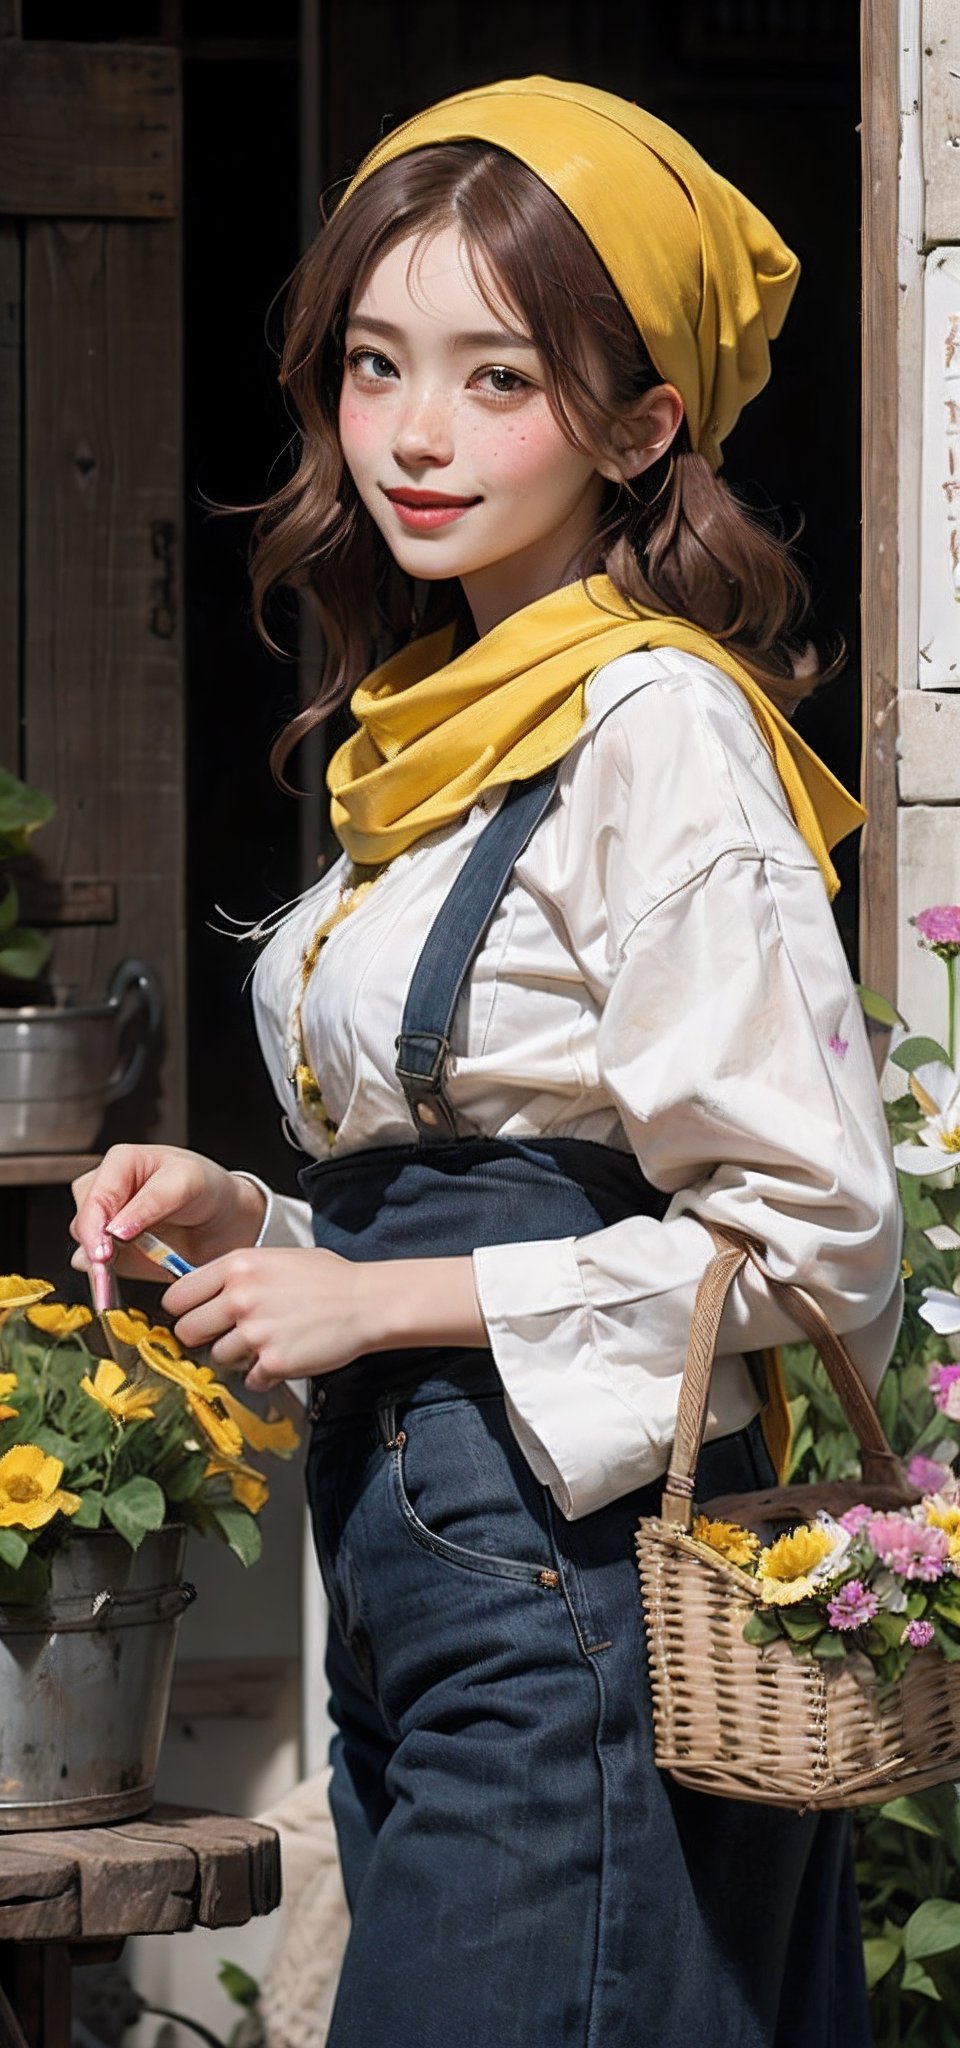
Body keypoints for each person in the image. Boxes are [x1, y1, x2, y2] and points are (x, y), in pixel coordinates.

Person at [72, 78, 902, 2048]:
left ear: (643, 423)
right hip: (431, 1569)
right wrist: (265, 1211)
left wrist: (375, 1297)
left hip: (570, 1582)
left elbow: (814, 1241)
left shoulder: (653, 737)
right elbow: (530, 1152)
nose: (414, 435)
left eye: (495, 374)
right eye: (374, 365)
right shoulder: (435, 729)